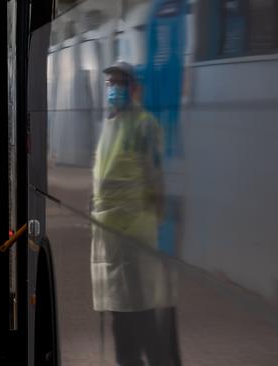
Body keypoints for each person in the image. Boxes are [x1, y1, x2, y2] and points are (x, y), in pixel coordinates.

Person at [91, 61, 180, 366]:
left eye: (119, 84)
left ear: (134, 89)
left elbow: (156, 180)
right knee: (121, 322)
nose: (113, 90)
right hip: (111, 242)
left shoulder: (145, 125)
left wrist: (159, 226)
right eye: (109, 85)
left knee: (142, 318)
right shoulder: (110, 126)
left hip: (135, 239)